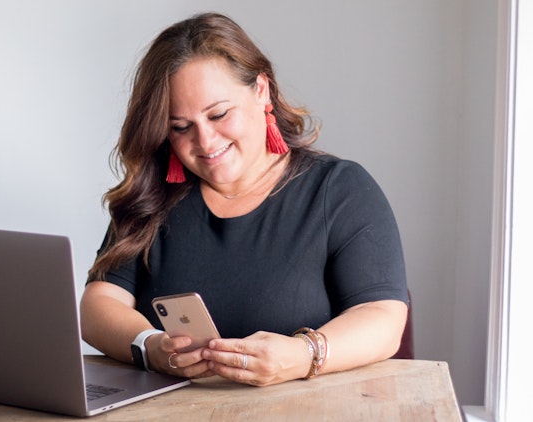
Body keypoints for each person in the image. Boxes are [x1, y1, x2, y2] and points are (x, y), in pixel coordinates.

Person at [80, 12, 408, 387]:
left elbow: (383, 317)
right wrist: (150, 347)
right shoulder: (153, 194)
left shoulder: (338, 189)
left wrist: (303, 355)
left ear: (261, 90)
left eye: (219, 114)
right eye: (180, 127)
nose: (205, 142)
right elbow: (98, 305)